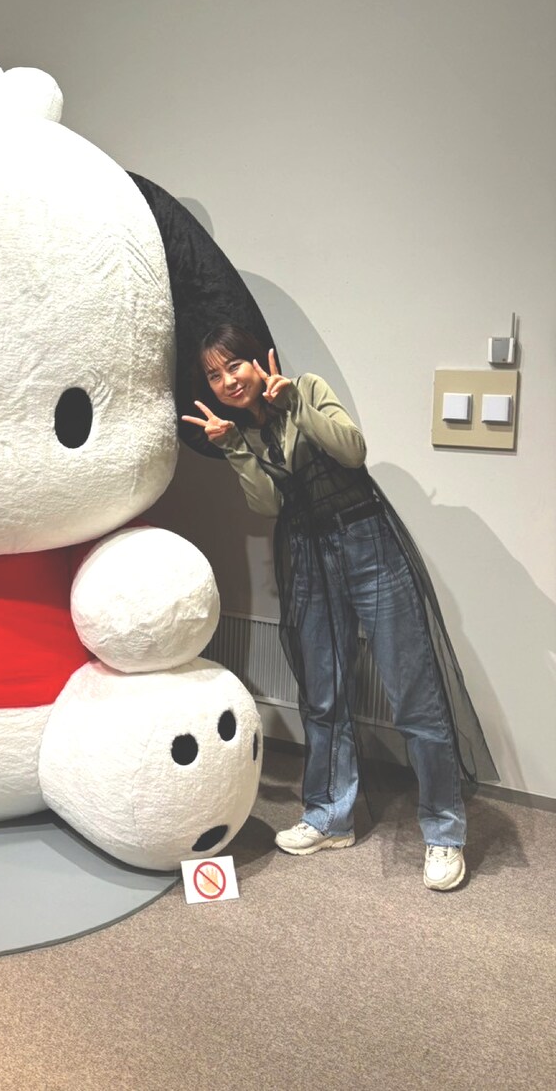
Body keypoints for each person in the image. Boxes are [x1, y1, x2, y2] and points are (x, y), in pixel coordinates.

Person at [182, 324, 496, 891]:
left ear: (258, 361)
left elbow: (352, 449)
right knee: (323, 694)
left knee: (414, 697)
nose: (227, 381)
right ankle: (330, 817)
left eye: (234, 365)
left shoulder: (305, 388)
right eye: (214, 375)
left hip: (367, 543)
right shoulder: (243, 432)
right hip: (308, 555)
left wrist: (293, 404)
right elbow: (267, 504)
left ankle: (444, 831)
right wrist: (233, 449)